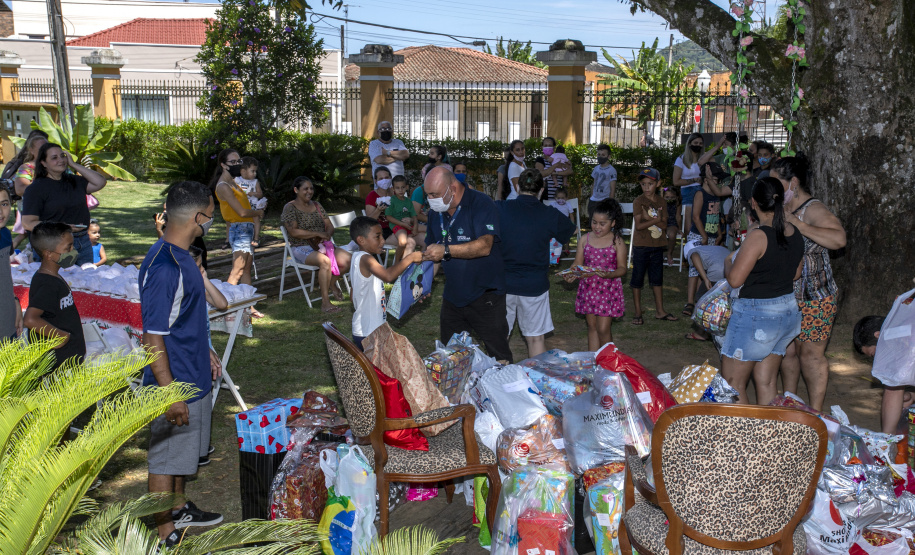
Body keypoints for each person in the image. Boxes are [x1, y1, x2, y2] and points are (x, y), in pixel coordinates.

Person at [139, 180, 224, 547]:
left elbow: (185, 319)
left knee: (182, 456)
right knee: (165, 459)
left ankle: (178, 507)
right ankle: (164, 535)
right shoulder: (165, 268)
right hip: (174, 384)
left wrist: (205, 350)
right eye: (211, 214)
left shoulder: (186, 259)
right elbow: (153, 337)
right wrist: (169, 393)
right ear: (198, 216)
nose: (211, 221)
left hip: (194, 373)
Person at [720, 177, 804, 405]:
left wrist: (728, 262)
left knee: (732, 384)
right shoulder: (794, 232)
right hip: (786, 311)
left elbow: (735, 280)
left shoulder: (758, 236)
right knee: (766, 382)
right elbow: (796, 274)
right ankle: (769, 436)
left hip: (756, 315)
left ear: (753, 203)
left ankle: (744, 439)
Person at [773, 154, 847, 411]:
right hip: (786, 295)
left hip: (816, 296)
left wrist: (798, 224)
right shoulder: (781, 206)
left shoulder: (813, 209)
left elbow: (838, 240)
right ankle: (790, 402)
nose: (772, 188)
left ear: (793, 183)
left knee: (811, 355)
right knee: (788, 352)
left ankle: (815, 414)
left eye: (777, 182)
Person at [423, 167, 512, 363]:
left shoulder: (481, 203)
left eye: (434, 194)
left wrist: (446, 250)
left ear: (452, 189)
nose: (430, 199)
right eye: (428, 194)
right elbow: (433, 254)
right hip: (453, 296)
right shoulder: (435, 213)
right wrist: (424, 283)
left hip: (486, 295)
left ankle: (503, 390)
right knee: (450, 359)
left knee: (499, 356)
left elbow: (485, 246)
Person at [497, 169, 576, 358]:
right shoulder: (549, 213)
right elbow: (570, 232)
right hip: (534, 285)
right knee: (535, 339)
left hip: (502, 283)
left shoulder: (499, 208)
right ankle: (536, 384)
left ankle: (495, 383)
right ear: (541, 190)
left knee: (499, 337)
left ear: (517, 187)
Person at [21, 143, 107, 265]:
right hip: (54, 244)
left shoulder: (73, 181)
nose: (61, 160)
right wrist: (62, 227)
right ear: (43, 163)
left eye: (62, 156)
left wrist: (73, 164)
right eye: (54, 157)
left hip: (83, 240)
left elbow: (100, 182)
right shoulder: (36, 189)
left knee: (84, 281)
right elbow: (28, 223)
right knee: (58, 282)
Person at [349, 216, 425, 351]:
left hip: (368, 329)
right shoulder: (366, 259)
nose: (383, 241)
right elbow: (388, 276)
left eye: (382, 236)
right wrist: (410, 258)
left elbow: (354, 292)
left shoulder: (357, 258)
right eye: (377, 237)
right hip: (369, 332)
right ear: (361, 239)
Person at [281, 176, 352, 314]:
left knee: (349, 259)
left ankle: (331, 283)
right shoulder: (290, 208)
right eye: (305, 189)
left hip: (322, 245)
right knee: (325, 262)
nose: (309, 191)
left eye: (311, 188)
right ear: (296, 190)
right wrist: (317, 233)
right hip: (300, 247)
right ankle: (325, 302)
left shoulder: (317, 205)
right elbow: (293, 232)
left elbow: (329, 226)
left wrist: (327, 234)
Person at [563, 199, 627, 350]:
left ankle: (608, 364)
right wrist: (572, 273)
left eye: (602, 223)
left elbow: (623, 268)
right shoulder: (585, 239)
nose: (597, 227)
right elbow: (577, 263)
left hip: (607, 289)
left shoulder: (616, 241)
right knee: (592, 327)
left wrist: (609, 274)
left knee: (603, 329)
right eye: (594, 222)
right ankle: (593, 362)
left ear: (613, 223)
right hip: (589, 289)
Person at [23, 222, 85, 370]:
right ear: (48, 254)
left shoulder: (53, 276)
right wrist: (61, 336)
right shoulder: (47, 283)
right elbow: (31, 319)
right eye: (67, 248)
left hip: (68, 359)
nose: (73, 251)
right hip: (57, 364)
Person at [188, 244, 226, 467]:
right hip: (194, 348)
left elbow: (221, 304)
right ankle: (195, 449)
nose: (203, 269)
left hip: (205, 347)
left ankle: (201, 445)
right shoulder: (185, 291)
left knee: (205, 395)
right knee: (193, 397)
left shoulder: (199, 287)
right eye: (200, 266)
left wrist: (204, 279)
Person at [853, 315, 915, 434]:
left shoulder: (902, 341)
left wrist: (887, 436)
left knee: (892, 385)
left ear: (879, 335)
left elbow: (893, 385)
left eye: (873, 355)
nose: (876, 361)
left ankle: (887, 441)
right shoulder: (905, 326)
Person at [631, 168, 677, 325]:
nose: (646, 187)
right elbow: (639, 226)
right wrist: (655, 219)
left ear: (658, 184)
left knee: (657, 280)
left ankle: (660, 311)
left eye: (650, 184)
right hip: (641, 246)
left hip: (658, 245)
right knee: (637, 280)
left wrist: (648, 218)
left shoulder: (662, 201)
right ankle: (638, 312)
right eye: (643, 184)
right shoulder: (638, 201)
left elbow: (664, 225)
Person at [211, 149, 264, 287]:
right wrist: (258, 213)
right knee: (237, 271)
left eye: (238, 161)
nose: (237, 164)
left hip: (247, 229)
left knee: (246, 269)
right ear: (223, 165)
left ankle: (248, 306)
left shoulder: (234, 182)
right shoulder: (223, 186)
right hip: (240, 230)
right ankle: (227, 302)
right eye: (232, 162)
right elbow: (241, 212)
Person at [682, 162, 728, 315]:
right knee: (695, 270)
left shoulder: (716, 195)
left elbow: (716, 216)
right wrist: (704, 235)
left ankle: (702, 299)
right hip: (699, 236)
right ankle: (689, 302)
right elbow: (695, 217)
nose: (719, 182)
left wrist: (720, 233)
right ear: (706, 179)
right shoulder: (700, 194)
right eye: (716, 179)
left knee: (707, 270)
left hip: (712, 236)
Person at [672, 133, 718, 241]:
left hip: (703, 191)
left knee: (704, 222)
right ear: (689, 144)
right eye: (695, 143)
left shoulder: (705, 158)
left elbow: (713, 166)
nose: (698, 145)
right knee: (689, 227)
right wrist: (694, 180)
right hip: (687, 192)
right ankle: (690, 250)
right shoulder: (681, 159)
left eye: (701, 143)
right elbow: (676, 181)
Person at [683, 243, 730, 342]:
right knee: (723, 301)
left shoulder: (692, 252)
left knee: (703, 302)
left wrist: (705, 279)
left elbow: (694, 256)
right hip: (731, 268)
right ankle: (721, 328)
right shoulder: (710, 249)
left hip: (718, 270)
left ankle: (701, 332)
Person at [11, 132, 48, 249]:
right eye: (41, 148)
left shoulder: (55, 166)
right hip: (34, 214)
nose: (45, 151)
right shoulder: (26, 168)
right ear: (31, 150)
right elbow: (20, 189)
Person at [155, 203, 208, 270]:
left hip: (194, 263)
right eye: (164, 209)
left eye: (167, 209)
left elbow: (169, 247)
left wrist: (159, 230)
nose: (164, 212)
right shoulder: (168, 225)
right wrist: (160, 229)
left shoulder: (187, 225)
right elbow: (163, 245)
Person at [0, 187, 22, 339]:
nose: (1, 212)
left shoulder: (5, 234)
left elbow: (5, 277)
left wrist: (14, 301)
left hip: (7, 319)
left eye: (4, 204)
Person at [384, 175, 419, 263]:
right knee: (403, 242)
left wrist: (415, 227)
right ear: (393, 189)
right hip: (397, 225)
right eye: (397, 188)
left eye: (403, 187)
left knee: (427, 232)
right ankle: (397, 263)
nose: (400, 190)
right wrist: (402, 224)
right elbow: (388, 217)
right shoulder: (391, 200)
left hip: (408, 225)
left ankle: (420, 264)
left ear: (406, 187)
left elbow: (414, 216)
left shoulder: (408, 201)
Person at [235, 156, 265, 248]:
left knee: (256, 219)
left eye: (255, 171)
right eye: (252, 171)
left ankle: (256, 238)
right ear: (243, 171)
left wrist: (255, 193)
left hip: (253, 205)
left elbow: (260, 194)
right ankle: (239, 237)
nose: (255, 173)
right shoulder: (237, 180)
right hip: (242, 205)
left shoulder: (255, 182)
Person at [588, 144, 617, 220]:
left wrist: (610, 202)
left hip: (604, 200)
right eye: (599, 154)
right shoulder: (596, 168)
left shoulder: (611, 170)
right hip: (594, 200)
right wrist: (591, 197)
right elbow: (594, 184)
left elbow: (612, 188)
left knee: (603, 222)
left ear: (608, 156)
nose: (600, 157)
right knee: (592, 222)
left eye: (603, 155)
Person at [663, 187, 682, 266]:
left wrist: (680, 229)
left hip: (672, 223)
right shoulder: (661, 203)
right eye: (667, 197)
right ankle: (657, 253)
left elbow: (678, 217)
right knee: (656, 233)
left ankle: (669, 253)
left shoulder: (677, 204)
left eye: (672, 197)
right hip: (662, 223)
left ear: (676, 197)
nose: (669, 199)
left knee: (672, 234)